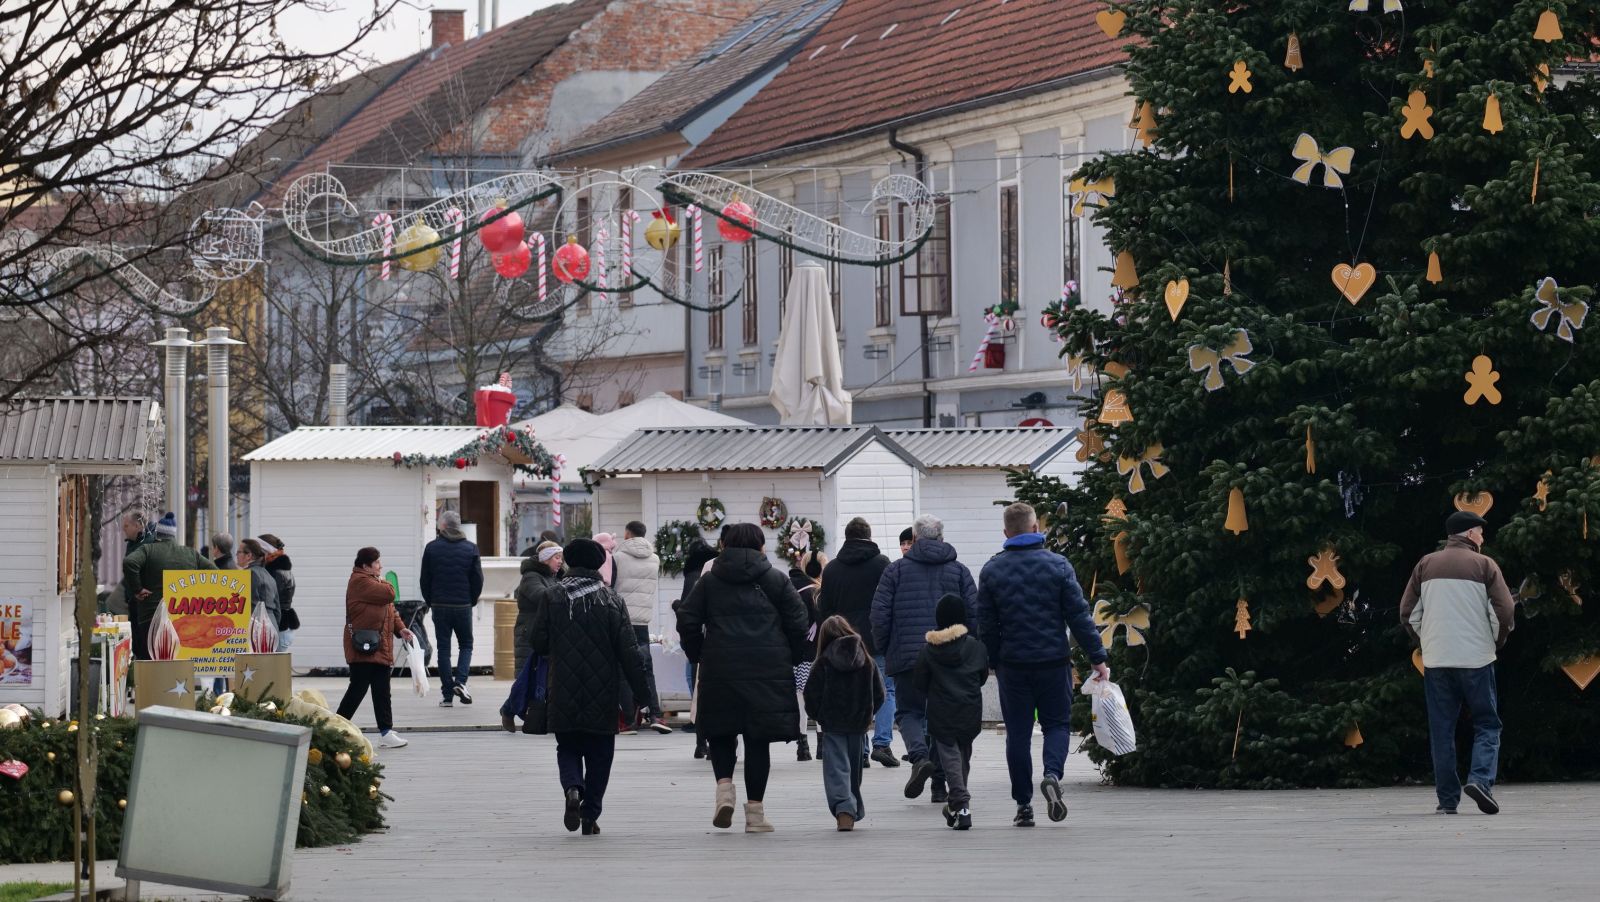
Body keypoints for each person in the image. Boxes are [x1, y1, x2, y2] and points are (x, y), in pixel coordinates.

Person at [977, 502, 1109, 827]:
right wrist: (1097, 658)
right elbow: (1079, 616)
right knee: (1057, 725)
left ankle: (1023, 806)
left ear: (1006, 533)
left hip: (1013, 665)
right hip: (1053, 661)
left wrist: (993, 661)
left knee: (1018, 735)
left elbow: (986, 625)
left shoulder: (992, 571)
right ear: (1036, 529)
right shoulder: (1059, 566)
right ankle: (1051, 774)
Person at [678, 522, 810, 833]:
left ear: (725, 547)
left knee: (722, 732)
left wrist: (699, 653)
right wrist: (789, 656)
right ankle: (755, 815)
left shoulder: (709, 581)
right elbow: (799, 622)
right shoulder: (776, 579)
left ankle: (724, 790)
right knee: (757, 740)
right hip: (766, 668)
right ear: (761, 547)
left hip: (720, 666)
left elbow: (687, 619)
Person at [530, 538, 650, 836]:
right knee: (601, 754)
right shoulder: (611, 600)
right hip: (603, 691)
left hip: (562, 687)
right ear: (599, 564)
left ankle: (572, 787)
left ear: (569, 561)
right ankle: (590, 814)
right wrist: (644, 695)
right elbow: (629, 652)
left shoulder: (553, 596)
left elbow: (538, 642)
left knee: (567, 745)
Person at [1399, 510, 1515, 816]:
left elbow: (1408, 613)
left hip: (1437, 660)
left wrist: (1428, 641)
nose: (1482, 536)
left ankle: (1447, 801)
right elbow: (1504, 612)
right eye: (1480, 531)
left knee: (1442, 730)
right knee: (1488, 724)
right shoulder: (1485, 565)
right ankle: (1480, 781)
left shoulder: (1425, 564)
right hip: (1476, 658)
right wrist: (1496, 641)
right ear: (1468, 533)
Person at [871, 513, 977, 804]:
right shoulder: (959, 572)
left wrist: (885, 647)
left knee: (909, 712)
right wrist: (973, 651)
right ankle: (940, 787)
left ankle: (918, 757)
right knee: (941, 721)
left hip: (908, 655)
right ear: (941, 538)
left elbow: (879, 614)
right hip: (951, 658)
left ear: (914, 539)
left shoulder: (895, 572)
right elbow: (974, 613)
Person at [819, 517, 898, 768]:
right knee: (885, 690)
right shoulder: (882, 564)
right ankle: (882, 743)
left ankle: (860, 749)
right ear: (869, 535)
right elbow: (890, 602)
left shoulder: (831, 569)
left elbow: (825, 609)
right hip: (876, 637)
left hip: (845, 640)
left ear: (846, 536)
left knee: (855, 692)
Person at [803, 615, 885, 831]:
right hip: (858, 726)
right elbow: (879, 694)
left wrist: (820, 715)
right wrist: (867, 713)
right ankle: (850, 804)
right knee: (854, 771)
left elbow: (811, 696)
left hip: (833, 725)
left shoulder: (823, 662)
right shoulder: (867, 660)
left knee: (837, 769)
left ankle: (844, 808)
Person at [915, 594, 989, 831]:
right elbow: (982, 677)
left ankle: (961, 805)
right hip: (969, 709)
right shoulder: (976, 647)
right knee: (962, 758)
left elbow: (919, 682)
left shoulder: (928, 651)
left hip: (941, 711)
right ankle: (956, 806)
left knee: (950, 759)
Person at [336, 547, 413, 749]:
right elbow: (390, 593)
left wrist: (402, 629)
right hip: (363, 646)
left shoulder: (374, 582)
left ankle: (386, 732)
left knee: (382, 691)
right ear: (365, 565)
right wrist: (383, 579)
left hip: (379, 645)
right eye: (377, 562)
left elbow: (391, 611)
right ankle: (335, 727)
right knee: (358, 689)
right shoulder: (360, 582)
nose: (381, 565)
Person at [122, 512, 214, 660]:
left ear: (157, 534)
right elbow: (213, 572)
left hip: (150, 618)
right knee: (178, 664)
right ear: (173, 535)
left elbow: (129, 563)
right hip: (183, 619)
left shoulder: (148, 550)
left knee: (152, 662)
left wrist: (137, 589)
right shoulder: (191, 554)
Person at [420, 510, 483, 707]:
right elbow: (478, 579)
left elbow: (425, 580)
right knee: (466, 645)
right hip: (463, 605)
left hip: (439, 605)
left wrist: (431, 601)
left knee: (443, 649)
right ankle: (461, 682)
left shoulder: (431, 548)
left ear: (443, 526)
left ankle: (447, 696)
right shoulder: (471, 548)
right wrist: (471, 600)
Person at [614, 521, 671, 734]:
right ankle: (655, 714)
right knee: (646, 668)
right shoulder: (654, 559)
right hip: (642, 622)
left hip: (622, 619)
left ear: (627, 533)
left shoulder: (618, 557)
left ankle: (629, 720)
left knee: (623, 669)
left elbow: (612, 585)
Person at [501, 542, 563, 732]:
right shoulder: (531, 577)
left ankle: (542, 716)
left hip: (544, 635)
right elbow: (541, 596)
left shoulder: (553, 578)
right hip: (529, 635)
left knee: (544, 677)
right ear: (545, 559)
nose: (560, 562)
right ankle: (508, 710)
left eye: (561, 558)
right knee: (526, 677)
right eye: (556, 558)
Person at [678, 538, 718, 759]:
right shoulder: (718, 572)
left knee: (699, 693)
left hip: (702, 642)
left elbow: (687, 612)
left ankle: (701, 741)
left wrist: (690, 647)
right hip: (717, 641)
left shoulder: (694, 577)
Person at [788, 551, 825, 761]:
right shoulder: (818, 593)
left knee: (799, 699)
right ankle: (822, 743)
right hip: (816, 652)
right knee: (818, 697)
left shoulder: (789, 588)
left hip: (795, 652)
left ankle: (802, 746)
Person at [258, 534, 299, 650]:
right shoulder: (281, 568)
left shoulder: (273, 572)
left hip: (279, 626)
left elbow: (271, 601)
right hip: (284, 626)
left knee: (276, 666)